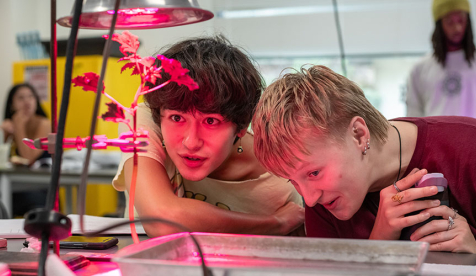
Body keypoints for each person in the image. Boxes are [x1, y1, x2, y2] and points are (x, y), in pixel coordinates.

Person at [253, 65, 476, 253]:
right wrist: (379, 243)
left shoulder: (468, 148)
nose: (310, 200)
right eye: (292, 180)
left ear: (359, 134)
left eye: (314, 173)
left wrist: (472, 254)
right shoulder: (323, 202)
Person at [112, 36, 304, 237]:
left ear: (241, 125)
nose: (191, 142)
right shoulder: (141, 120)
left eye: (211, 121)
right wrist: (275, 223)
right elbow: (160, 219)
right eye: (177, 117)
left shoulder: (278, 180)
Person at [406, 0, 476, 117]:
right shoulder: (420, 69)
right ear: (439, 25)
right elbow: (413, 116)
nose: (457, 28)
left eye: (461, 20)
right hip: (434, 135)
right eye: (450, 22)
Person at [1, 83, 50, 217]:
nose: (27, 102)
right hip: (14, 186)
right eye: (21, 98)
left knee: (30, 200)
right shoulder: (10, 125)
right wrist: (5, 135)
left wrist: (19, 127)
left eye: (31, 97)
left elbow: (28, 157)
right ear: (12, 105)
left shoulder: (44, 123)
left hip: (40, 187)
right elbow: (3, 160)